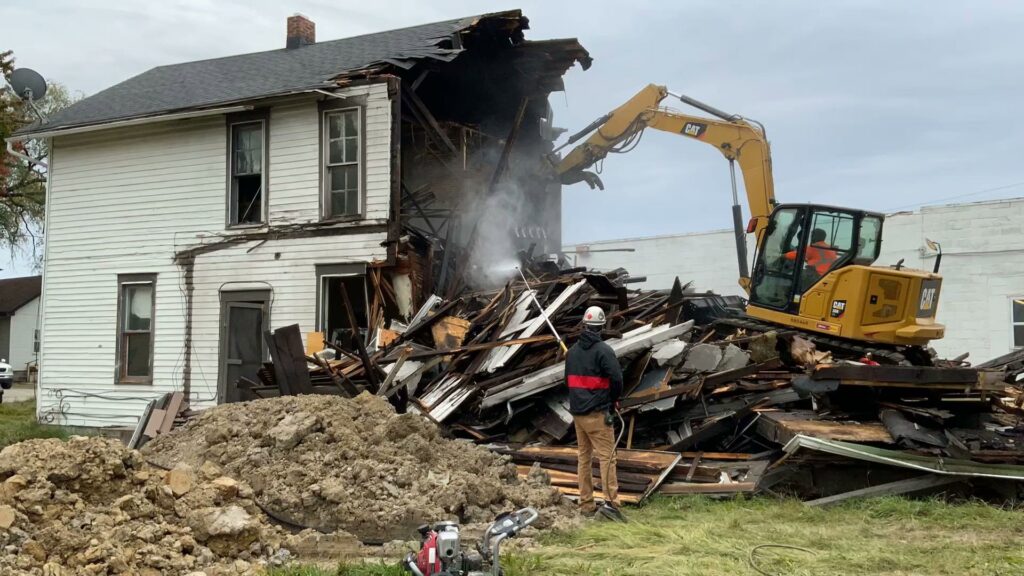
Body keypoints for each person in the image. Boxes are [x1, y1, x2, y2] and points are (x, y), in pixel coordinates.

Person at [565, 305, 626, 522]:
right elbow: (617, 379)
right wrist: (614, 400)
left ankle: (586, 503)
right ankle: (612, 504)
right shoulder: (604, 351)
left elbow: (568, 382)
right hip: (597, 414)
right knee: (607, 458)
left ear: (584, 324)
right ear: (601, 326)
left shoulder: (571, 353)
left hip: (577, 413)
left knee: (584, 458)